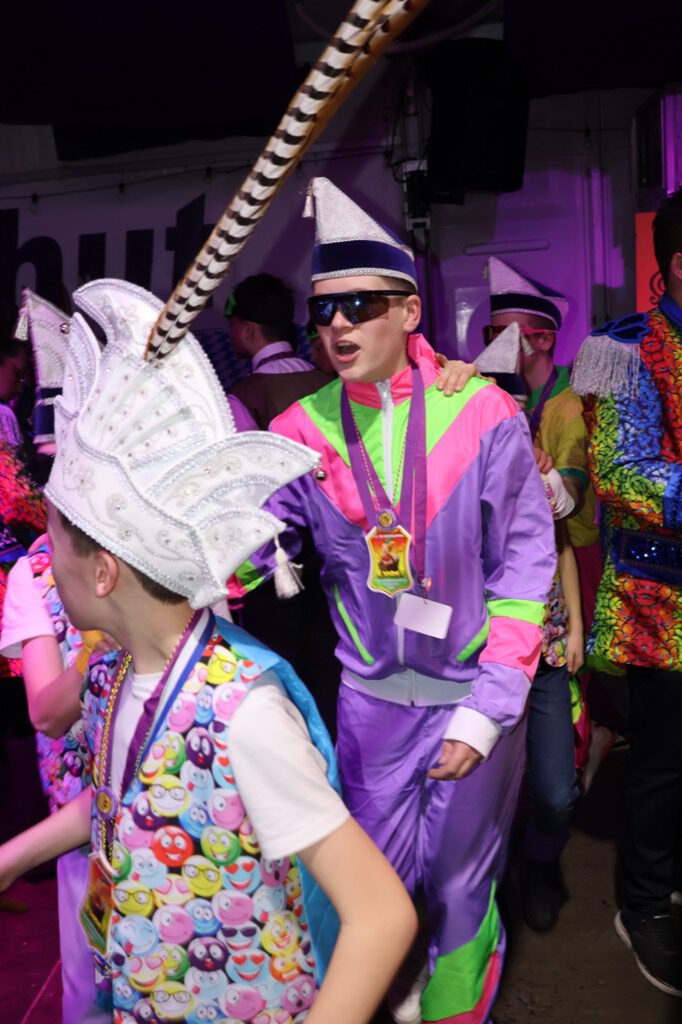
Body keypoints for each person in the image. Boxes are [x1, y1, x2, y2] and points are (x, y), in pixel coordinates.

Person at [0, 277, 417, 1024]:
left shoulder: (242, 714)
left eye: (55, 544)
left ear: (104, 572)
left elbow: (381, 915)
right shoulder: (114, 669)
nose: (43, 562)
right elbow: (125, 798)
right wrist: (14, 856)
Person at [234, 177, 556, 1024]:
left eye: (362, 305)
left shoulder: (481, 412)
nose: (338, 326)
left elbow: (525, 570)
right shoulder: (300, 433)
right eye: (323, 311)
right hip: (370, 707)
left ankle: (456, 1009)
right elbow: (259, 552)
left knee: (459, 890)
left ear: (410, 312)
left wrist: (488, 711)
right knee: (367, 885)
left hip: (470, 699)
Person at [571, 187, 682, 997]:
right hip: (663, 601)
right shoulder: (619, 349)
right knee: (666, 763)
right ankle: (644, 903)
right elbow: (620, 473)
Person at [482, 261, 592, 931]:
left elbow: (562, 536)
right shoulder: (461, 456)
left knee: (555, 792)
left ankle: (543, 859)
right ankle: (490, 883)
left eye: (509, 332)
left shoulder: (555, 419)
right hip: (484, 652)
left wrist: (574, 627)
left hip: (546, 648)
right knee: (486, 790)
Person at [226, 272, 333, 429]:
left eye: (232, 325)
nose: (230, 334)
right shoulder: (330, 382)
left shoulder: (242, 396)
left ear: (248, 330)